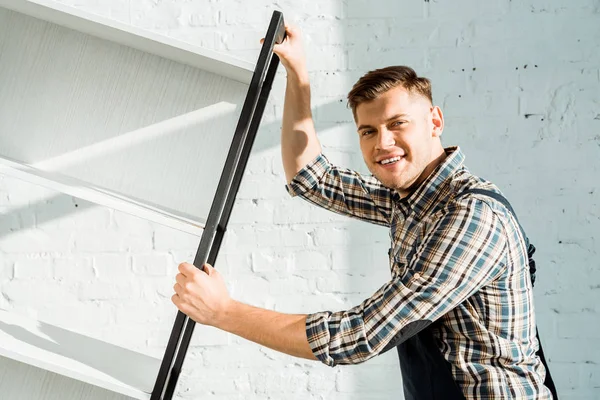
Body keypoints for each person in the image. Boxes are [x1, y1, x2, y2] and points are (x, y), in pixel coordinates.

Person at [171, 25, 553, 399]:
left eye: (397, 124)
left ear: (434, 121)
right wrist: (298, 74)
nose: (383, 143)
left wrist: (223, 312)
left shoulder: (471, 217)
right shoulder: (412, 197)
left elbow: (361, 335)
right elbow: (313, 178)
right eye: (368, 131)